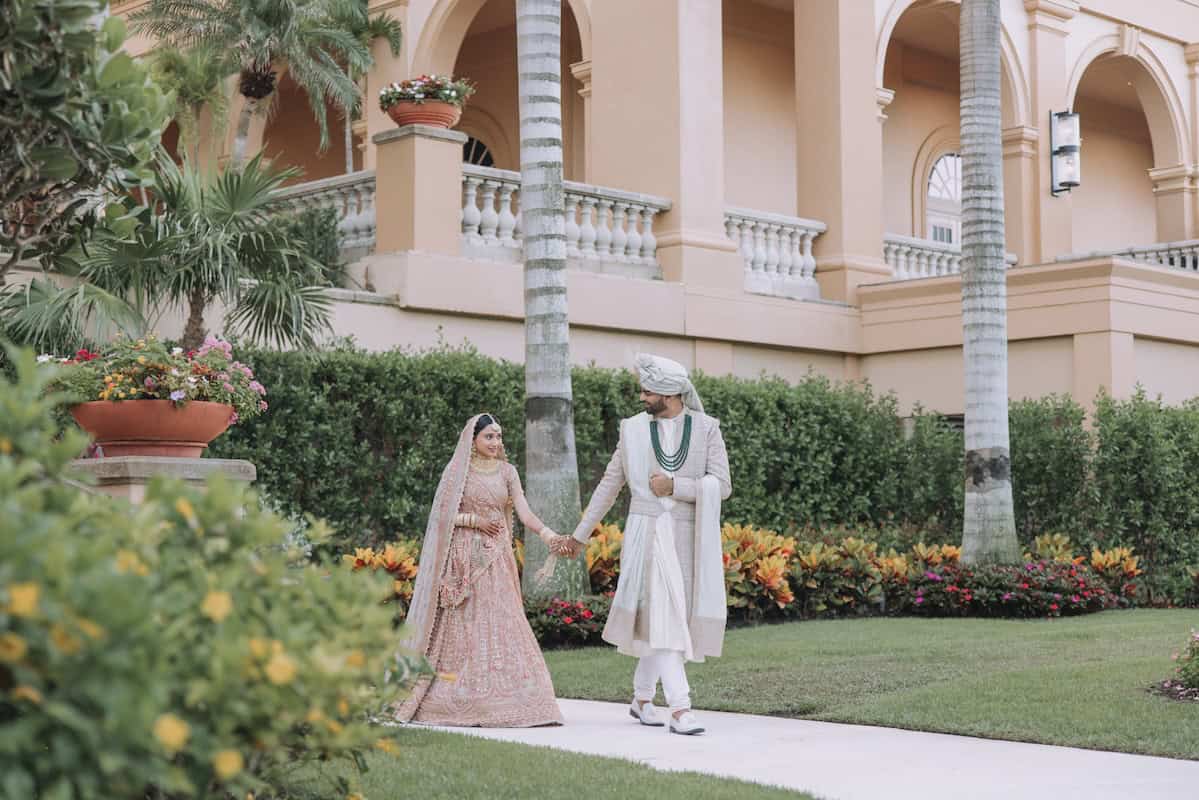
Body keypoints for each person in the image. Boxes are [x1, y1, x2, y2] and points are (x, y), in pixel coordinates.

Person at [552, 354, 731, 735]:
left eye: (648, 390)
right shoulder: (632, 430)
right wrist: (580, 536)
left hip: (685, 537)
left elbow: (723, 484)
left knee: (664, 616)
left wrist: (676, 487)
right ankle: (681, 709)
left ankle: (641, 698)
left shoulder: (706, 428)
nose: (642, 395)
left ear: (671, 392)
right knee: (664, 615)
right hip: (644, 533)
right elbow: (609, 485)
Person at [395, 413, 564, 727]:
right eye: (489, 437)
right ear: (472, 440)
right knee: (464, 626)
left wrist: (549, 535)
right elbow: (441, 516)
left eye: (498, 437)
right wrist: (476, 522)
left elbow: (523, 511)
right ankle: (461, 698)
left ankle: (518, 699)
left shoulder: (507, 472)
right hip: (464, 559)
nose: (495, 443)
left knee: (504, 620)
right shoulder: (458, 472)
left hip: (498, 560)